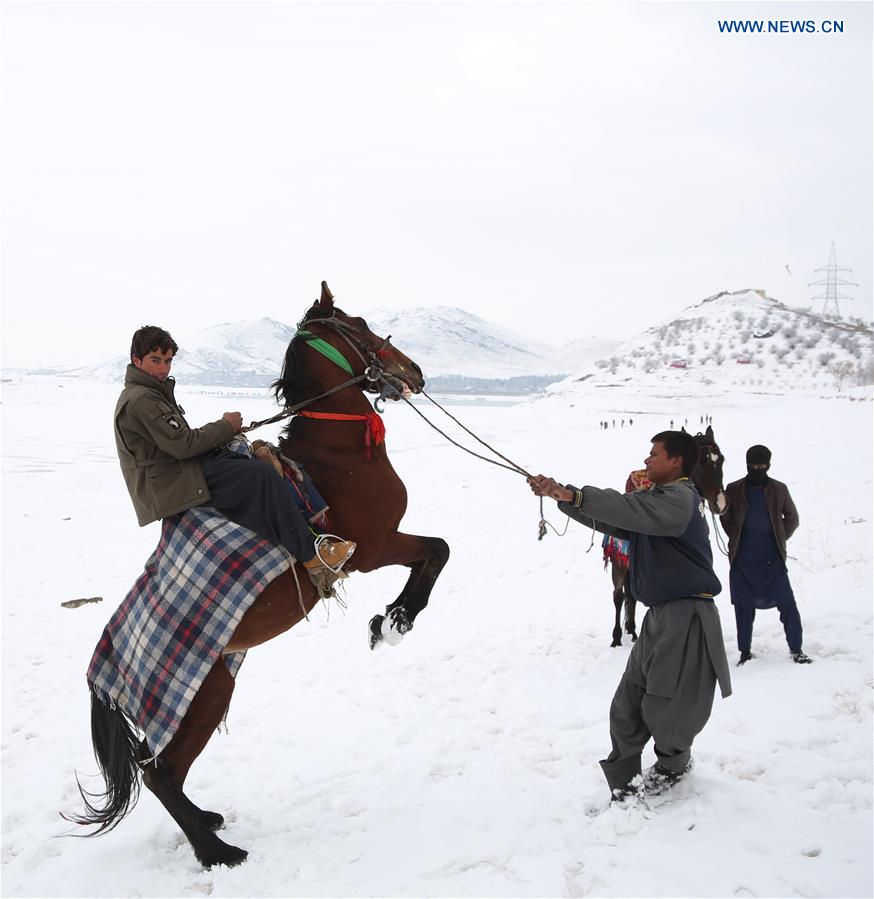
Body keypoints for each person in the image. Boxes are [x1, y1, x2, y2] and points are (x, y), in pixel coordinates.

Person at [528, 431, 731, 802]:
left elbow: (628, 509)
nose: (647, 460)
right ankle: (625, 780)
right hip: (658, 617)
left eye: (654, 454)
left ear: (677, 462)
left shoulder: (680, 499)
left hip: (686, 615)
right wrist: (563, 495)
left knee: (668, 703)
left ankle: (673, 767)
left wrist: (574, 495)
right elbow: (618, 518)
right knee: (628, 701)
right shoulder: (655, 502)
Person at [113, 326, 355, 589]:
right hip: (170, 483)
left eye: (168, 361)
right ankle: (312, 555)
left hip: (176, 472)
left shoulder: (149, 392)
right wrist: (226, 426)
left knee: (244, 460)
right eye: (155, 360)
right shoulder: (142, 399)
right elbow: (183, 445)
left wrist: (225, 433)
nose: (163, 369)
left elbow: (177, 441)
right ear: (136, 360)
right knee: (261, 474)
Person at [720, 445, 811, 666]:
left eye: (761, 466)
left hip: (772, 559)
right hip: (742, 559)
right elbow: (725, 516)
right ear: (746, 465)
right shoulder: (734, 489)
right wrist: (736, 536)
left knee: (787, 605)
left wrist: (779, 536)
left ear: (768, 465)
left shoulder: (779, 489)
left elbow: (792, 518)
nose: (757, 470)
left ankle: (797, 649)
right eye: (753, 466)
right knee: (743, 607)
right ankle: (745, 652)